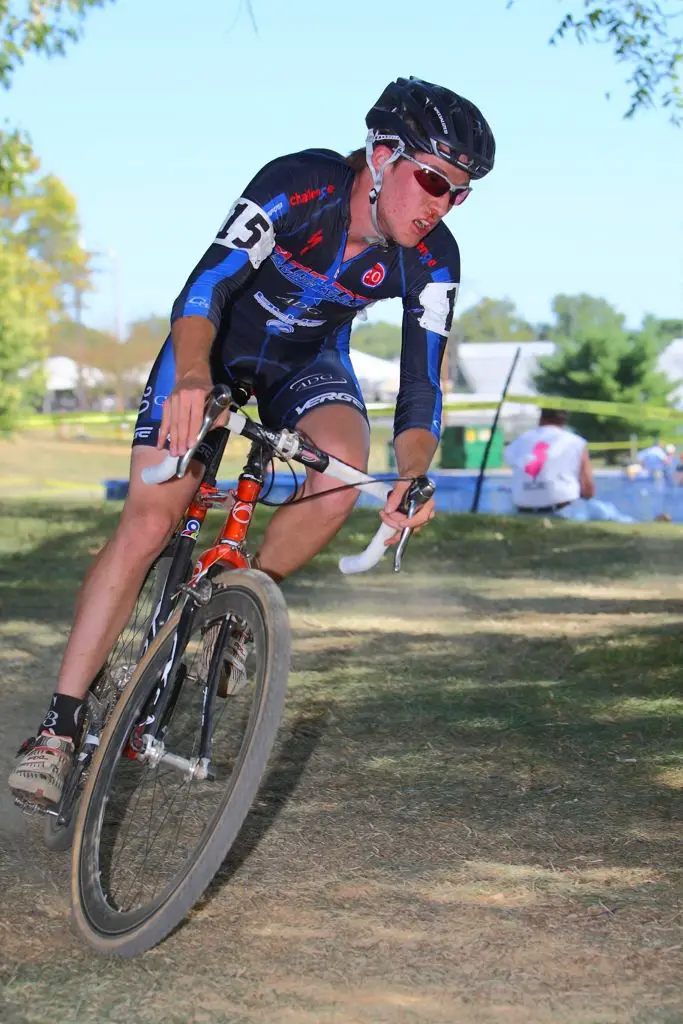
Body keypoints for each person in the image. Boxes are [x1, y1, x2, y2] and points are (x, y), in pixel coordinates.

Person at [9, 76, 496, 805]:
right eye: (432, 179)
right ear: (382, 153)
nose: (441, 205)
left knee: (340, 479)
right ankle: (57, 728)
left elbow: (421, 388)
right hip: (210, 351)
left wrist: (413, 473)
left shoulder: (433, 260)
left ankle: (235, 601)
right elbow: (203, 290)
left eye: (458, 193)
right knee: (147, 521)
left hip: (307, 365)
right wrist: (193, 381)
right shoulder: (297, 187)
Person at [504, 408, 594, 514]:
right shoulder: (576, 442)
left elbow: (512, 464)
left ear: (541, 418)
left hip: (522, 508)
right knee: (607, 512)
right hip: (562, 509)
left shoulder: (520, 440)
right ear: (565, 420)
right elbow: (588, 489)